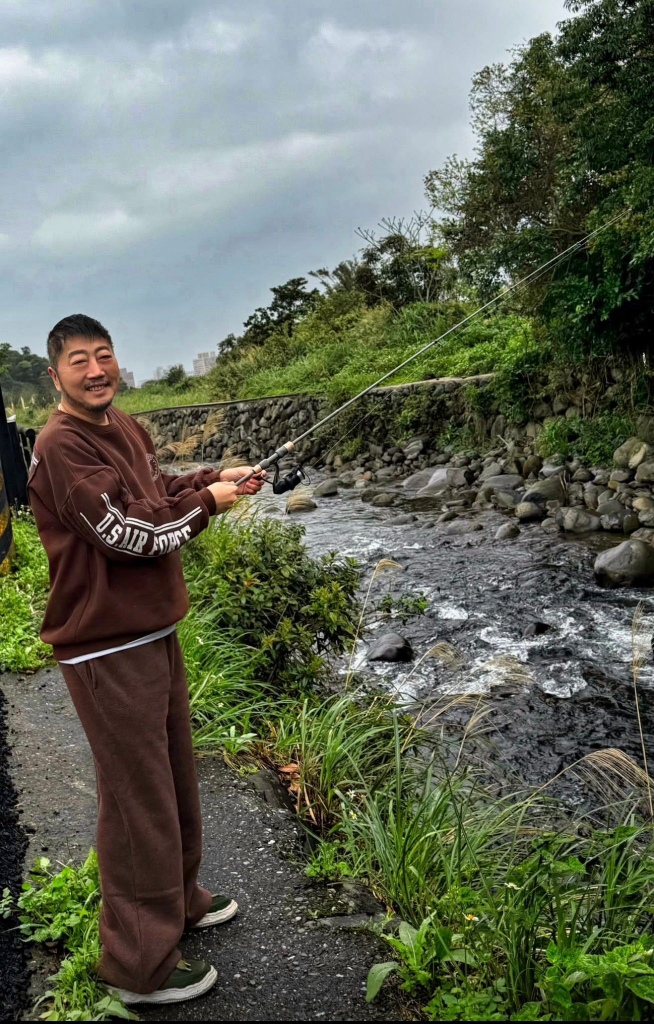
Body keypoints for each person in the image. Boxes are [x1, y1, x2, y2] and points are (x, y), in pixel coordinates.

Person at [27, 313, 265, 1007]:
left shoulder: (123, 426)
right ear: (55, 375)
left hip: (151, 629)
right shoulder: (61, 445)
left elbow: (154, 493)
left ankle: (177, 900)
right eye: (79, 360)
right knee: (138, 800)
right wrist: (209, 506)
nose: (96, 369)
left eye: (103, 355)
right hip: (104, 643)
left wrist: (216, 479)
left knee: (174, 778)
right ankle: (137, 965)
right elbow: (128, 535)